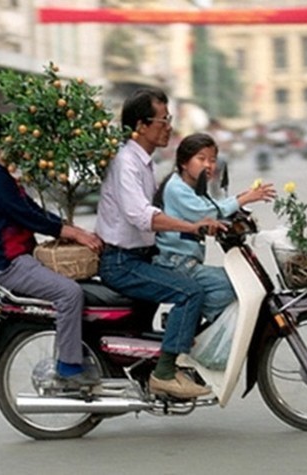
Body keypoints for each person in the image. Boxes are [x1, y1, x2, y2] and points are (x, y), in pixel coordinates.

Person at [95, 87, 223, 399]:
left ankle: (172, 353)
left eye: (169, 120)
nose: (169, 127)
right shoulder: (127, 162)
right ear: (140, 125)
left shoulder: (144, 162)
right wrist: (192, 226)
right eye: (163, 121)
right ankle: (164, 373)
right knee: (189, 292)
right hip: (123, 262)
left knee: (197, 282)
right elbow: (143, 216)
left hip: (141, 256)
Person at [0, 120, 103, 387]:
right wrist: (71, 233)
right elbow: (27, 216)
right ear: (1, 144)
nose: (22, 145)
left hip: (23, 259)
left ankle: (81, 351)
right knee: (69, 293)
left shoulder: (2, 175)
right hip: (11, 265)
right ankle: (68, 367)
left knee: (85, 288)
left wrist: (71, 229)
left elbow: (34, 210)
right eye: (16, 139)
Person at [153, 133, 276, 322]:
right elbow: (208, 213)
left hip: (186, 261)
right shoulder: (176, 188)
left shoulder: (192, 187)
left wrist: (239, 202)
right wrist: (245, 198)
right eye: (201, 159)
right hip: (176, 263)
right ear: (184, 163)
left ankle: (190, 320)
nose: (208, 165)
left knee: (236, 281)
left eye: (212, 160)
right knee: (233, 284)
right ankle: (185, 321)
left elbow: (214, 208)